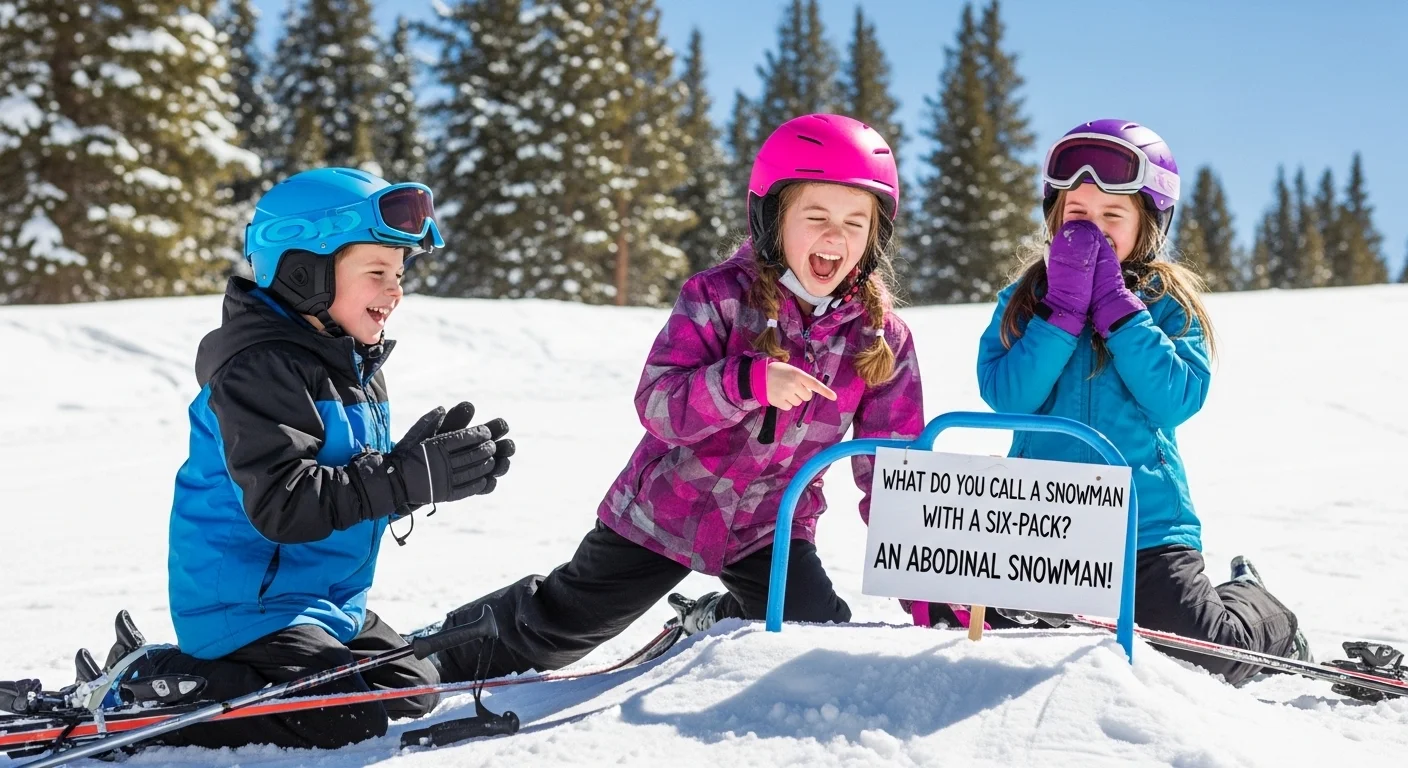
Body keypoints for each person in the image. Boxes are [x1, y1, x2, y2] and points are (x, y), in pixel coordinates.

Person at [430, 114, 925, 683]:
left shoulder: (880, 337)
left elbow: (894, 465)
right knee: (560, 627)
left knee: (813, 630)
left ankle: (718, 618)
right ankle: (435, 653)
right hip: (666, 511)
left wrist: (929, 585)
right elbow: (658, 403)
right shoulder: (717, 297)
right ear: (773, 219)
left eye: (855, 222)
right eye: (816, 218)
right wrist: (746, 382)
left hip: (770, 526)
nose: (835, 238)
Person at [144, 167, 514, 749]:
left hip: (329, 604)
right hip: (246, 610)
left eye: (399, 273)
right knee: (346, 719)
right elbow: (285, 507)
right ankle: (156, 682)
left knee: (412, 692)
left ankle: (305, 669)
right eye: (376, 272)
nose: (395, 291)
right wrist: (400, 480)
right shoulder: (257, 370)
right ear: (303, 272)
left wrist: (413, 472)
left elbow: (345, 491)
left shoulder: (353, 369)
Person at [933, 119, 1309, 684]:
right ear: (1056, 218)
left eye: (1114, 216)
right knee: (1010, 647)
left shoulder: (1164, 302)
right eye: (1079, 215)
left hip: (1146, 528)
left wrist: (1121, 312)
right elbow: (1007, 393)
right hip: (1044, 522)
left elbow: (1177, 398)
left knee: (1198, 652)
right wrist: (1058, 316)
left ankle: (1259, 607)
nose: (1093, 229)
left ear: (1149, 226)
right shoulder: (1025, 300)